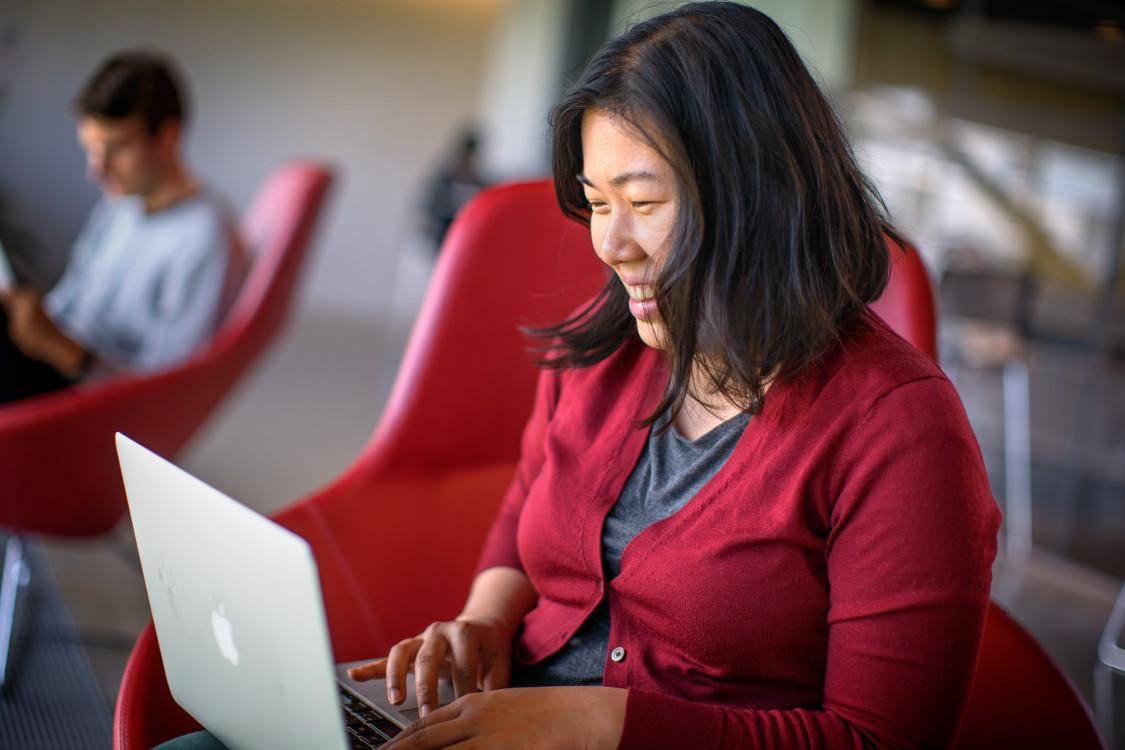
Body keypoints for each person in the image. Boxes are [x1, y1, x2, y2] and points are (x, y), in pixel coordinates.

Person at [161, 4, 1000, 749]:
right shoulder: (608, 351)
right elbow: (530, 507)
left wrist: (605, 724)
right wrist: (485, 623)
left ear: (760, 196)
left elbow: (878, 739)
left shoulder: (899, 429)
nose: (610, 243)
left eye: (642, 200)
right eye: (597, 203)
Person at [0, 50, 245, 403]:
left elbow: (165, 391)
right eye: (92, 150)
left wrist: (68, 353)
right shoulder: (118, 208)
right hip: (52, 363)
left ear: (167, 135)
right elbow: (67, 303)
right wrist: (32, 320)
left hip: (86, 398)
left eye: (116, 149)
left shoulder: (205, 239)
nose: (96, 170)